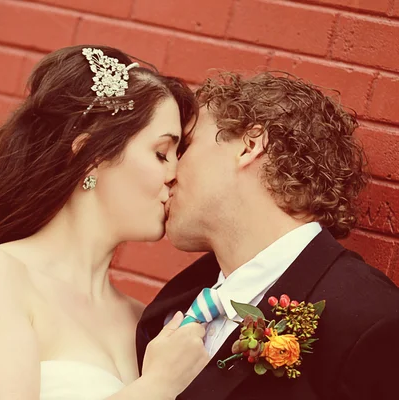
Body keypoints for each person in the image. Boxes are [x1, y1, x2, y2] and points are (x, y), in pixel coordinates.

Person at [0, 45, 209, 400]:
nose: (174, 174)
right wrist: (157, 387)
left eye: (178, 155)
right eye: (161, 154)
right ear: (90, 155)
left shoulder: (143, 320)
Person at [136, 72, 399, 400]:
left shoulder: (371, 322)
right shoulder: (178, 300)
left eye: (184, 147)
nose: (169, 171)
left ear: (249, 146)